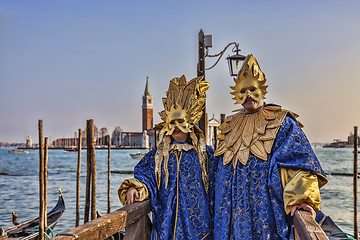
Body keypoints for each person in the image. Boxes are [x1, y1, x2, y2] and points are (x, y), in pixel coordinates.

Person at [213, 54, 328, 239]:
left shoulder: (282, 121)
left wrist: (302, 198)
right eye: (243, 90)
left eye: (252, 89)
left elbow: (299, 161)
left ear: (263, 90)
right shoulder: (229, 126)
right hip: (230, 215)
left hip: (263, 212)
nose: (248, 95)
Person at [118, 75, 218, 240]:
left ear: (190, 123)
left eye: (181, 121)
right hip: (167, 225)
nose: (176, 127)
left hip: (199, 227)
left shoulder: (206, 156)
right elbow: (145, 177)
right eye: (172, 122)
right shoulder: (157, 156)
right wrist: (135, 188)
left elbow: (219, 188)